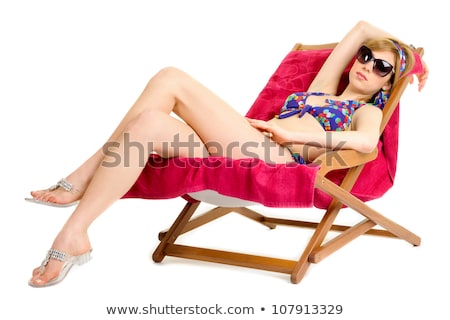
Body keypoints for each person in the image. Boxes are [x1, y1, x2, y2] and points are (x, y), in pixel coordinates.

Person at [26, 20, 428, 287]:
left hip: (275, 157)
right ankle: (74, 235)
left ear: (386, 85)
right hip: (244, 144)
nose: (368, 66)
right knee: (147, 123)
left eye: (382, 69)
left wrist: (290, 132)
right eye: (366, 57)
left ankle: (80, 178)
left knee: (171, 77)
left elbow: (365, 145)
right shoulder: (321, 88)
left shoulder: (366, 109)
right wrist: (411, 54)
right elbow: (359, 28)